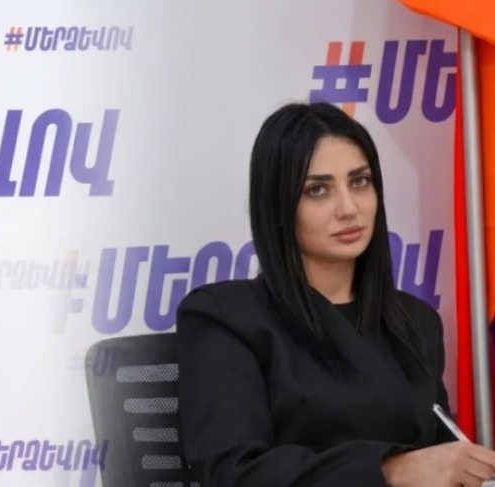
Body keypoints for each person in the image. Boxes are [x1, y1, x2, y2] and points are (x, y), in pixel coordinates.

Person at [175, 101, 495, 487]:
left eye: (360, 181)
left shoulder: (416, 321)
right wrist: (389, 471)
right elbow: (233, 472)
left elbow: (440, 456)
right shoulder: (226, 317)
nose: (348, 208)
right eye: (318, 190)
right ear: (278, 206)